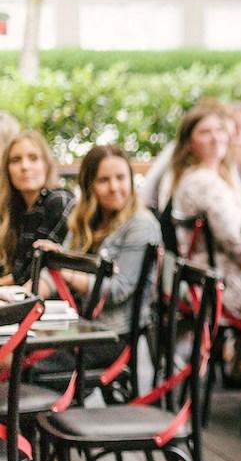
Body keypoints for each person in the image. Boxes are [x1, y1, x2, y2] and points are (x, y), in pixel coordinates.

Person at [32, 145, 162, 370]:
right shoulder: (83, 218)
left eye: (121, 178)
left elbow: (118, 290)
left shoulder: (141, 224)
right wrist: (22, 298)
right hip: (79, 325)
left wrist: (66, 271)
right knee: (14, 348)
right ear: (89, 185)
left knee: (20, 363)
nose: (114, 187)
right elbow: (53, 275)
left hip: (113, 335)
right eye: (104, 180)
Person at [165, 105, 241, 323]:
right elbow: (236, 241)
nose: (216, 137)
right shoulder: (202, 183)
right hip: (220, 285)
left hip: (213, 280)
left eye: (219, 129)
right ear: (189, 143)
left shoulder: (213, 177)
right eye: (205, 132)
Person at [0, 131, 74, 286]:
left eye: (33, 158)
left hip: (52, 303)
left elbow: (30, 272)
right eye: (15, 160)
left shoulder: (59, 200)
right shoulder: (12, 208)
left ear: (46, 165)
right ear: (7, 169)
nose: (25, 166)